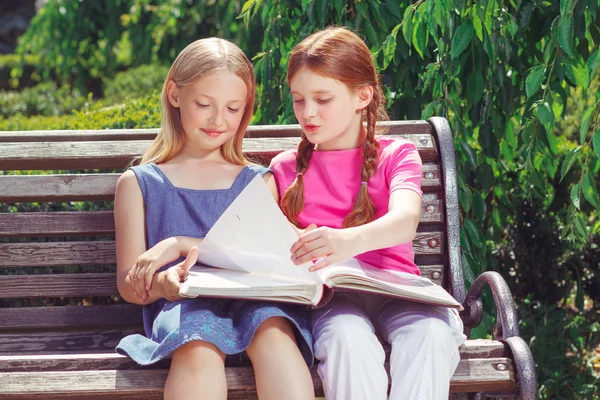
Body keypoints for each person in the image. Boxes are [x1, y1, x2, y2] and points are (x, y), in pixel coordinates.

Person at [269, 26, 466, 400]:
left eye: (322, 99)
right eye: (299, 100)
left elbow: (405, 220)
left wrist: (343, 241)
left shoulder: (397, 155)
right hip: (333, 300)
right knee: (347, 341)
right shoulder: (284, 169)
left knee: (431, 334)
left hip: (400, 292)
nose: (308, 113)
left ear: (363, 95)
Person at [113, 38, 314, 400]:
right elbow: (130, 284)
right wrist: (162, 284)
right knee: (199, 343)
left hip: (256, 304)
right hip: (185, 310)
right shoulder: (140, 183)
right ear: (174, 94)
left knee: (275, 335)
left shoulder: (258, 181)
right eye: (204, 104)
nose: (218, 120)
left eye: (233, 108)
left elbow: (268, 260)